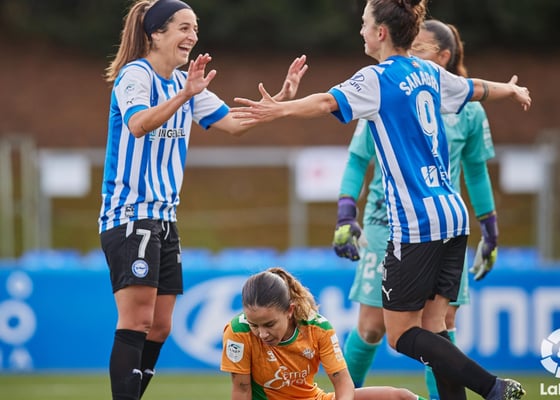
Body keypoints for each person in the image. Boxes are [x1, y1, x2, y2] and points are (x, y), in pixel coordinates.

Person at [229, 0, 530, 398]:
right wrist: (511, 89)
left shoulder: (376, 78)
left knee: (400, 334)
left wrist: (278, 110)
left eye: (364, 23)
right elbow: (476, 89)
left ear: (381, 32)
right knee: (435, 328)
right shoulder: (428, 72)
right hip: (453, 215)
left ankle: (492, 386)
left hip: (415, 221)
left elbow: (325, 102)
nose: (361, 31)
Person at [97, 1, 308, 399]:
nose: (192, 36)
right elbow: (138, 124)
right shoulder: (136, 75)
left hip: (164, 218)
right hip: (130, 214)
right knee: (137, 320)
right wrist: (185, 95)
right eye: (183, 27)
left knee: (160, 326)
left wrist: (280, 102)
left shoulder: (185, 83)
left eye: (195, 28)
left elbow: (234, 124)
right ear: (155, 34)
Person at [333, 20, 499, 400]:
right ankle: (343, 396)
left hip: (440, 222)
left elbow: (475, 171)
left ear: (443, 57)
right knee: (372, 325)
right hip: (388, 220)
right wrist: (346, 212)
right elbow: (358, 158)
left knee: (440, 322)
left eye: (420, 49)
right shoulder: (386, 88)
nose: (411, 54)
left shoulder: (468, 110)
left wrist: (490, 229)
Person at [220, 267, 426, 400]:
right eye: (255, 325)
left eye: (269, 324)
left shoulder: (318, 328)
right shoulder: (238, 332)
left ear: (289, 311)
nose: (262, 334)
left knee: (401, 397)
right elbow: (242, 390)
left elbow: (342, 382)